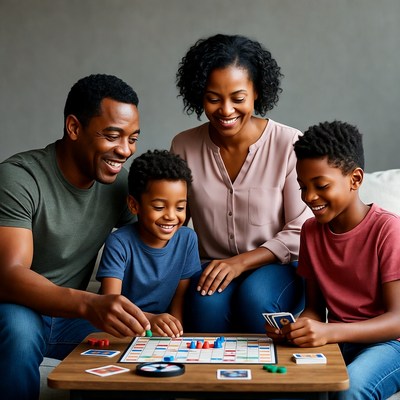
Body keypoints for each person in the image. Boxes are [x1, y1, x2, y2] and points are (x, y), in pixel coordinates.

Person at [0, 74, 152, 400]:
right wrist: (89, 304)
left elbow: (161, 233)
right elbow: (9, 276)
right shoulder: (18, 178)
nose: (125, 150)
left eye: (133, 138)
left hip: (70, 319)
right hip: (16, 310)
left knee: (142, 346)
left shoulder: (119, 187)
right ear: (74, 128)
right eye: (113, 135)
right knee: (20, 332)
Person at [170, 33, 312, 333]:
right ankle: (212, 380)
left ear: (257, 92)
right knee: (204, 304)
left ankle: (267, 379)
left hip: (278, 267)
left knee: (256, 298)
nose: (225, 110)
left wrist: (240, 263)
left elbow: (300, 230)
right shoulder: (183, 146)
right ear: (199, 95)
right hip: (212, 265)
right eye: (213, 98)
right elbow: (177, 221)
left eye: (238, 98)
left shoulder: (289, 144)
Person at [266, 121, 400, 399]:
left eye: (321, 185)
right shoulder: (311, 231)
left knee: (350, 390)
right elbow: (314, 308)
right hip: (340, 340)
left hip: (390, 344)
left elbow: (397, 320)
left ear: (355, 179)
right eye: (303, 186)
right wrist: (298, 330)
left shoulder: (387, 230)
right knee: (285, 384)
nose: (309, 197)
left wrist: (330, 332)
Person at [97, 149, 201, 337]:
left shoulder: (187, 239)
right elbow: (111, 303)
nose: (171, 216)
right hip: (119, 329)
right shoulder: (119, 242)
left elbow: (180, 299)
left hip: (158, 331)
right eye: (159, 207)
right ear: (134, 205)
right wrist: (151, 320)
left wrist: (176, 333)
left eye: (180, 207)